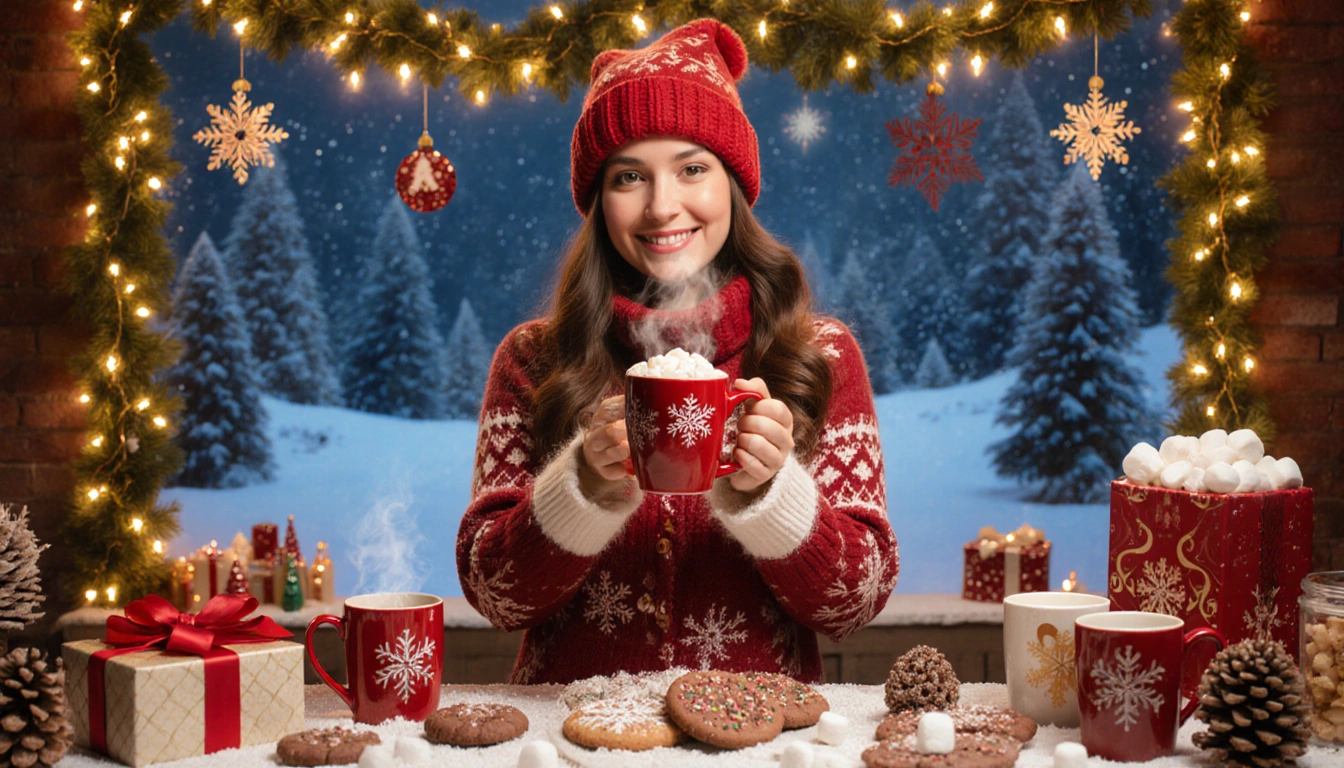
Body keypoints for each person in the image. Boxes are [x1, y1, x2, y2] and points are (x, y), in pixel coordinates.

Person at [457, 18, 897, 685]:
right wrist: (582, 487)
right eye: (629, 177)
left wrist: (774, 492)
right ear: (598, 200)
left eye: (692, 168)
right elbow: (496, 597)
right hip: (571, 740)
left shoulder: (819, 356)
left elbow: (854, 604)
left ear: (733, 185)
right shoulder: (535, 360)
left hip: (762, 742)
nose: (663, 207)